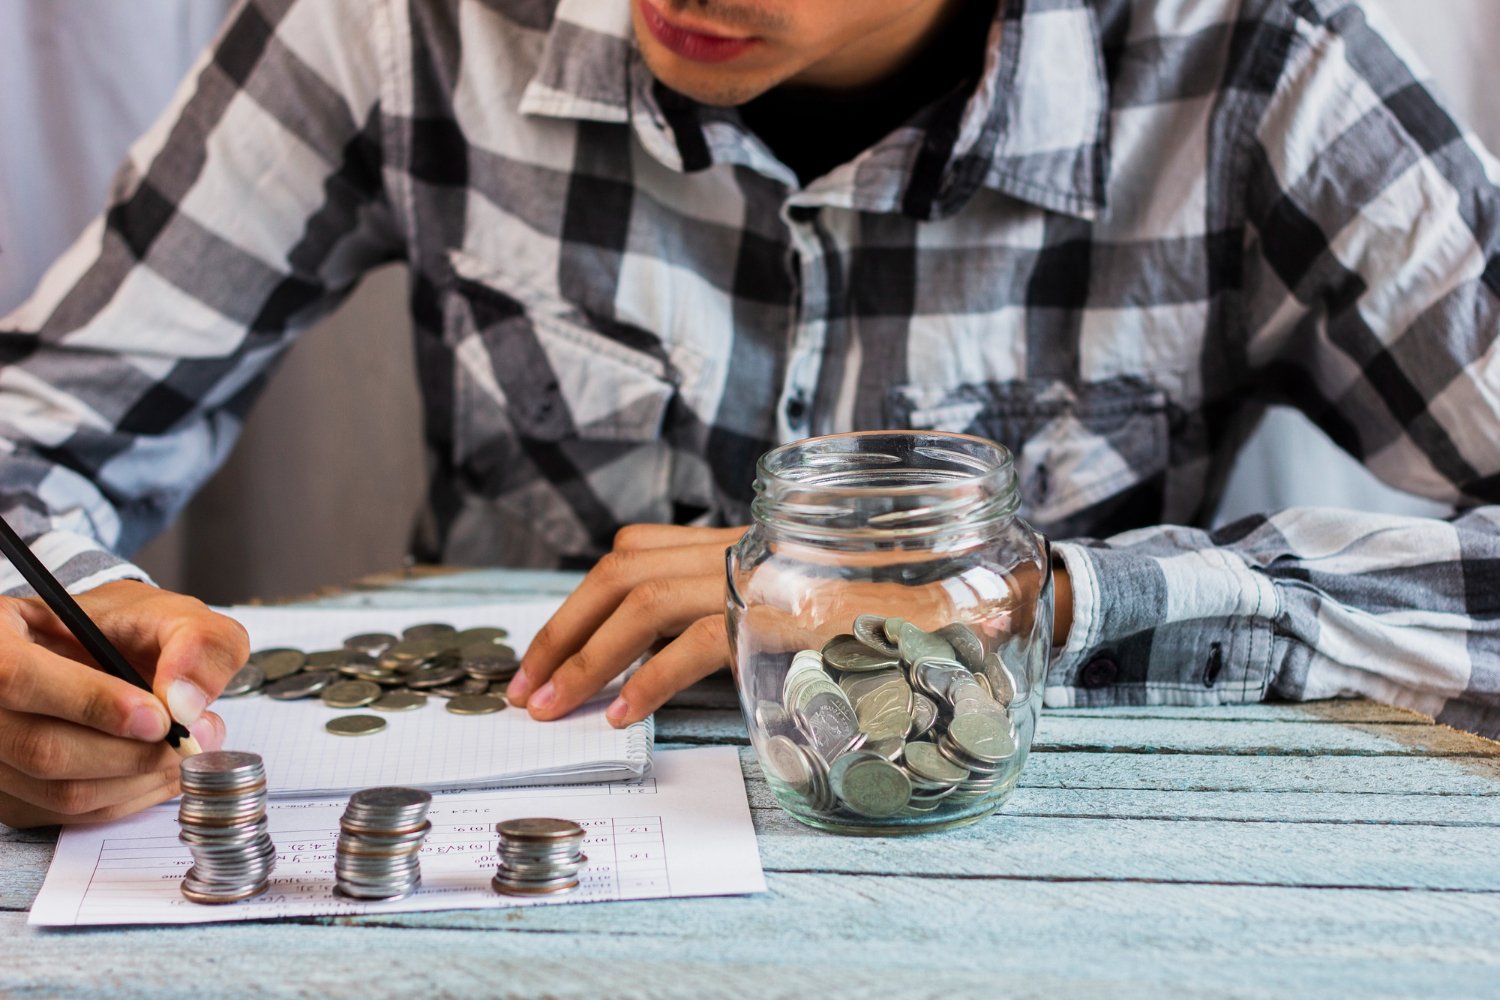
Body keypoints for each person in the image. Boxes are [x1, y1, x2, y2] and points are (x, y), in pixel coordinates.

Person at [0, 0, 1496, 828]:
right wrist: (42, 631)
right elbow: (32, 432)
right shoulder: (400, 22)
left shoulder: (1259, 68)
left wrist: (1041, 603)